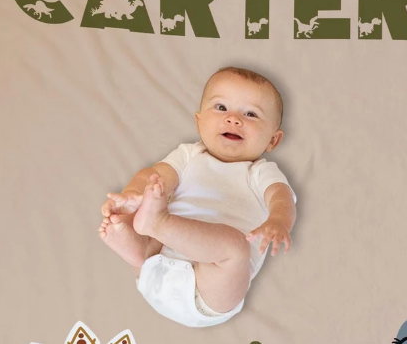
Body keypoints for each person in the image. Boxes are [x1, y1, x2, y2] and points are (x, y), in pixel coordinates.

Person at [98, 66, 296, 327]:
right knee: (151, 195)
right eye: (221, 108)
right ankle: (138, 247)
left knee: (236, 247)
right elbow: (155, 175)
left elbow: (281, 197)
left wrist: (279, 221)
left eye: (250, 114)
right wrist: (132, 195)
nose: (233, 119)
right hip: (158, 263)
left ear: (273, 140)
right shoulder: (189, 155)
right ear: (199, 121)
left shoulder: (260, 172)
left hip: (210, 291)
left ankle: (156, 226)